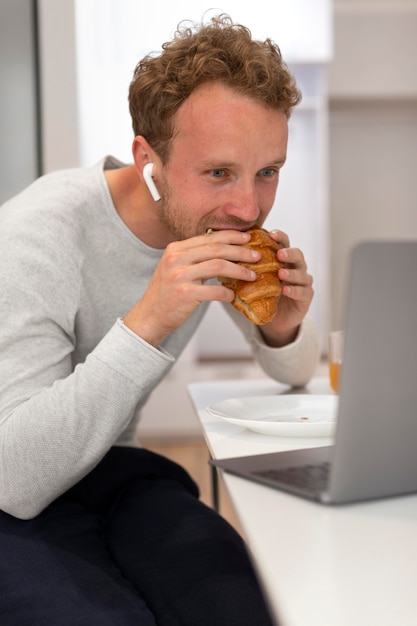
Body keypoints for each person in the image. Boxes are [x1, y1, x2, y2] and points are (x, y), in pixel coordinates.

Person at [0, 13, 320, 626]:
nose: (248, 206)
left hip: (112, 469)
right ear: (149, 159)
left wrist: (282, 325)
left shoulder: (211, 224)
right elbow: (17, 479)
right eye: (219, 172)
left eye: (267, 171)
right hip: (15, 483)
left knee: (242, 608)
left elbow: (296, 374)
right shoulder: (36, 237)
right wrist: (147, 320)